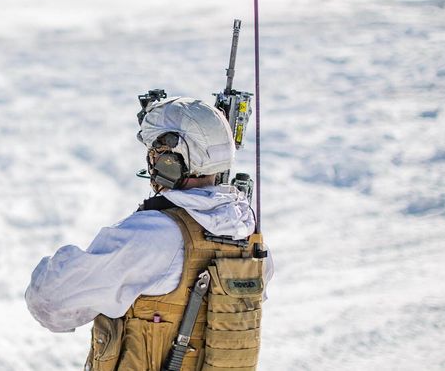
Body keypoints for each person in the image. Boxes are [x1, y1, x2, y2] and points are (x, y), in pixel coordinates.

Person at [25, 96, 270, 371]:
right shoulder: (249, 236)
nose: (153, 161)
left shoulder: (151, 236)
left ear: (173, 159)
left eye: (157, 151)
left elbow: (48, 303)